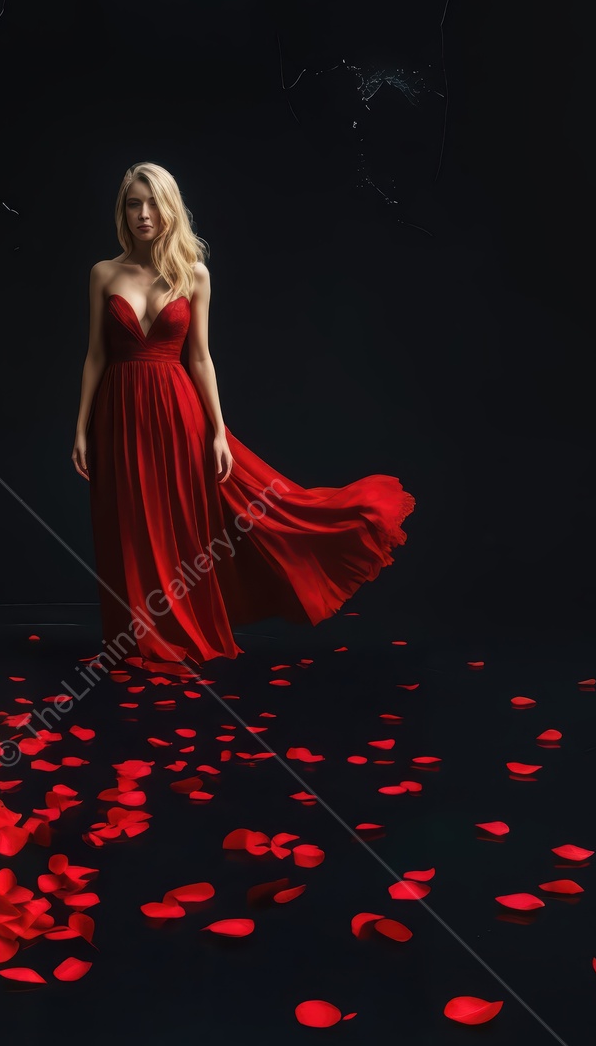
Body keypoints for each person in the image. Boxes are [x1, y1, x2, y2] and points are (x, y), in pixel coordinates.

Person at [72, 161, 416, 678]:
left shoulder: (194, 274)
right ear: (122, 211)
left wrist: (217, 432)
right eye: (132, 203)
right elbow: (95, 355)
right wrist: (80, 428)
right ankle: (139, 636)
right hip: (119, 414)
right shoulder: (104, 272)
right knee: (127, 526)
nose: (143, 214)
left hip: (178, 411)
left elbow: (200, 358)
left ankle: (182, 631)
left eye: (152, 202)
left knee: (183, 527)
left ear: (170, 208)